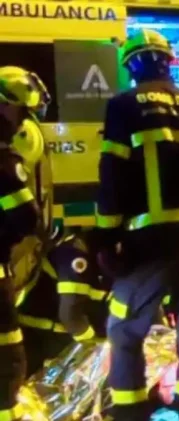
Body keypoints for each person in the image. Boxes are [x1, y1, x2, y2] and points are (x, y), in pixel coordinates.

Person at [95, 29, 179, 421]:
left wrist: (105, 238)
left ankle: (130, 413)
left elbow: (113, 177)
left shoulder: (124, 106)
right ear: (167, 61)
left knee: (123, 331)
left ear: (133, 64)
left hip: (151, 244)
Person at [0, 65, 48, 420]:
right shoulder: (3, 161)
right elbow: (26, 218)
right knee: (7, 358)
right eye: (21, 112)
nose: (23, 123)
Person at [16, 230, 110, 376]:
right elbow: (70, 314)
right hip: (37, 338)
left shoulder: (79, 260)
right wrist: (91, 343)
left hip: (43, 339)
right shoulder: (74, 259)